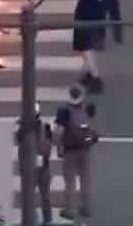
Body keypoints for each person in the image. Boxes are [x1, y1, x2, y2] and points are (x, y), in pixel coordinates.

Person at [54, 84, 97, 221]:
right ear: (81, 95)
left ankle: (70, 209)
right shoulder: (86, 106)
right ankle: (86, 207)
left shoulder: (64, 110)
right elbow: (89, 126)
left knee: (70, 181)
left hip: (70, 150)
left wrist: (58, 146)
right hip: (85, 148)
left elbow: (58, 132)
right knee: (86, 179)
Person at [16, 105, 54, 225]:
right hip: (29, 169)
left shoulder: (46, 127)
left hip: (43, 168)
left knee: (46, 197)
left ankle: (47, 220)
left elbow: (49, 146)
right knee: (28, 198)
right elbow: (20, 145)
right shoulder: (22, 130)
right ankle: (32, 218)